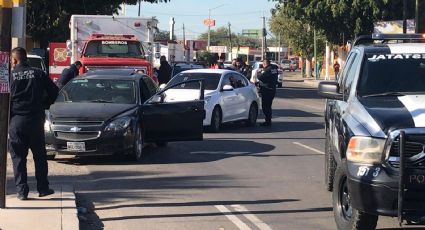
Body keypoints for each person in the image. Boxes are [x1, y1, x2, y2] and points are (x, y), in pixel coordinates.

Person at [9, 47, 59, 200]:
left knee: (18, 157)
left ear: (15, 60)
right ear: (26, 59)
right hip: (36, 120)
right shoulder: (39, 73)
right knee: (40, 156)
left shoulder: (10, 76)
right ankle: (43, 188)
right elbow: (54, 92)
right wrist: (44, 104)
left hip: (16, 121)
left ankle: (22, 191)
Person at [257, 58, 278, 127]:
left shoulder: (267, 70)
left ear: (265, 64)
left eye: (263, 64)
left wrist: (259, 73)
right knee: (268, 106)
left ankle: (268, 121)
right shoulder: (274, 69)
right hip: (272, 89)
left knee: (265, 106)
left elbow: (260, 77)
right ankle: (268, 120)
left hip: (267, 90)